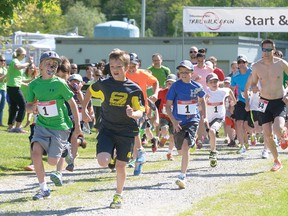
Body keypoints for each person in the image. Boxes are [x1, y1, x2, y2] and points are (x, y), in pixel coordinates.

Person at [82, 49, 145, 208]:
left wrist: (133, 114)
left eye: (118, 66)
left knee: (121, 166)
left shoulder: (134, 88)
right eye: (112, 66)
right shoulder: (104, 84)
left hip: (126, 132)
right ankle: (111, 152)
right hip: (107, 129)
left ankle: (118, 194)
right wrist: (84, 109)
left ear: (127, 66)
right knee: (103, 162)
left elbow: (141, 111)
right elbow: (89, 90)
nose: (115, 70)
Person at [26, 51, 82, 200]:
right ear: (40, 66)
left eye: (54, 64)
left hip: (60, 127)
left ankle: (65, 149)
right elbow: (28, 105)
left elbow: (72, 104)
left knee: (52, 162)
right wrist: (33, 107)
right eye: (48, 63)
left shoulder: (60, 83)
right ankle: (43, 188)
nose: (51, 66)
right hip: (42, 125)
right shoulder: (34, 85)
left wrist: (77, 127)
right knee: (36, 152)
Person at [166, 60, 206, 189]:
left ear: (191, 72)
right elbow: (167, 106)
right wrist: (173, 120)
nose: (183, 74)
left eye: (186, 72)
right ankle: (190, 145)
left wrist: (202, 116)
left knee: (185, 146)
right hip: (178, 121)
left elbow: (202, 100)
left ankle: (182, 175)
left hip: (192, 120)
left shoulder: (196, 86)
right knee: (180, 151)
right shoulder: (175, 86)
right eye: (181, 72)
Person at [250, 39, 288, 172]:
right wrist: (254, 87)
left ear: (273, 50)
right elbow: (254, 83)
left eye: (268, 49)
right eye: (264, 50)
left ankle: (283, 134)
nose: (266, 52)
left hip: (279, 101)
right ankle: (277, 161)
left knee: (277, 129)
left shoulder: (282, 64)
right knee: (267, 134)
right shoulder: (256, 66)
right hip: (264, 102)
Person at [126, 52, 159, 175]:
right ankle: (136, 158)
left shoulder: (143, 74)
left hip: (141, 108)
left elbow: (155, 82)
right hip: (125, 108)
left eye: (134, 65)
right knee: (130, 134)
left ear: (138, 64)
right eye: (129, 65)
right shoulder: (123, 75)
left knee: (135, 132)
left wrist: (155, 94)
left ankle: (138, 155)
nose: (132, 68)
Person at [205, 73, 236, 167]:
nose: (214, 84)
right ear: (207, 84)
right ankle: (212, 149)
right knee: (210, 134)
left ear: (219, 82)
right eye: (211, 82)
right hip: (208, 118)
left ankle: (213, 152)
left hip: (219, 117)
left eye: (215, 81)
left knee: (212, 131)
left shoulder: (223, 91)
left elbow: (230, 92)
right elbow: (198, 100)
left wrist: (232, 102)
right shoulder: (205, 92)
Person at [7, 47, 33, 132]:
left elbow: (17, 77)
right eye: (24, 55)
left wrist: (27, 82)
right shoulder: (15, 61)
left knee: (14, 107)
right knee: (23, 106)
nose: (24, 57)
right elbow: (18, 67)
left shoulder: (15, 61)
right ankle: (18, 127)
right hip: (14, 87)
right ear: (20, 54)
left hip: (12, 87)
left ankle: (10, 126)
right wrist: (28, 63)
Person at [230, 54, 252, 154]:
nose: (241, 64)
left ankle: (251, 137)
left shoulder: (252, 72)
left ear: (246, 63)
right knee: (239, 123)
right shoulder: (235, 75)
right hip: (241, 101)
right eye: (239, 62)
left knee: (248, 125)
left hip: (254, 100)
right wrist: (231, 102)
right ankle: (243, 145)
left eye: (243, 62)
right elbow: (231, 89)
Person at [156, 73, 177, 160]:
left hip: (174, 117)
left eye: (172, 83)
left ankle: (169, 153)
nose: (170, 85)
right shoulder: (161, 92)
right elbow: (157, 104)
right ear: (166, 84)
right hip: (163, 116)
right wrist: (155, 114)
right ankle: (165, 137)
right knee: (164, 129)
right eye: (169, 83)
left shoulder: (178, 93)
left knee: (173, 137)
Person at [21, 64, 39, 128]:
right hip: (23, 94)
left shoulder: (35, 77)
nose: (32, 69)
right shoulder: (24, 75)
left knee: (31, 108)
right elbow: (21, 81)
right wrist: (30, 81)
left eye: (33, 68)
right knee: (22, 109)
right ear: (27, 68)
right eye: (30, 68)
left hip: (31, 95)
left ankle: (29, 121)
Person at [0, 54, 7, 126]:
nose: (3, 62)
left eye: (4, 60)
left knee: (2, 107)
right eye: (1, 60)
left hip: (4, 89)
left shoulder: (5, 69)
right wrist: (6, 75)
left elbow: (4, 81)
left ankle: (0, 122)